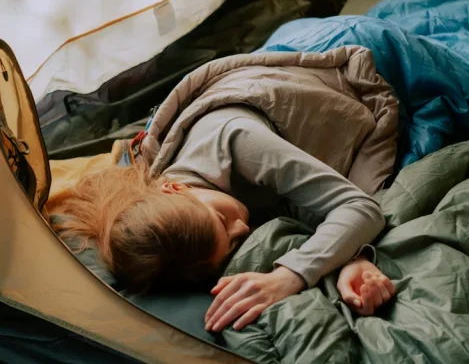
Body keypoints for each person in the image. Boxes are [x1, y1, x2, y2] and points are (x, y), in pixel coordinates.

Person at [47, 104, 396, 333]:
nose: (242, 227)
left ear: (173, 188)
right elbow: (307, 208)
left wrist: (289, 276)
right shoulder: (188, 224)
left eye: (221, 218)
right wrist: (350, 256)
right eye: (233, 243)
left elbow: (360, 206)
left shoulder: (236, 141)